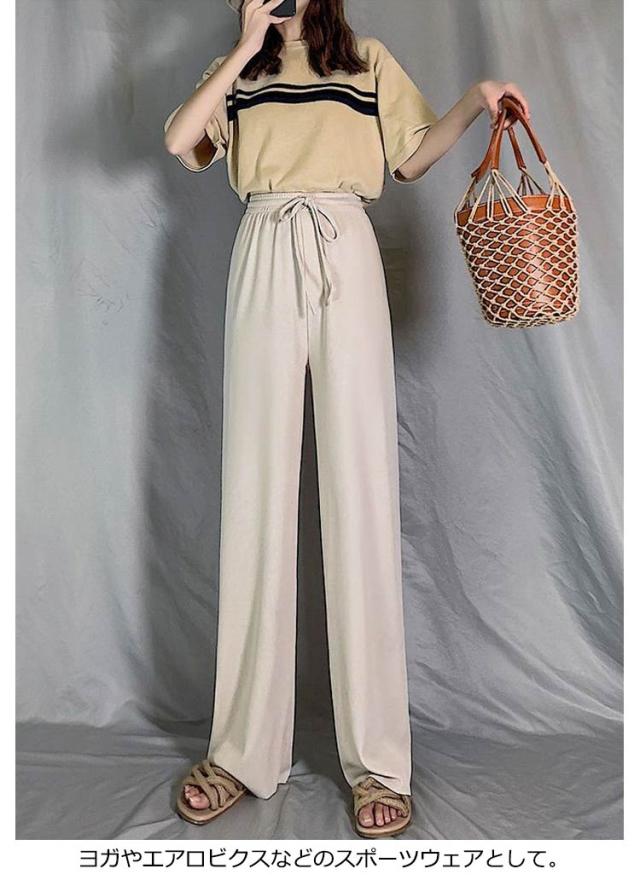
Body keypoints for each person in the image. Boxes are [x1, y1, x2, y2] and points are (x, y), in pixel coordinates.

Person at [164, 0, 529, 838]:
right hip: (263, 244)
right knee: (254, 491)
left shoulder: (366, 59)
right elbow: (182, 141)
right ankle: (241, 752)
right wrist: (245, 45)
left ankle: (378, 764)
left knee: (360, 489)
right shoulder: (239, 74)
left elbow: (412, 158)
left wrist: (474, 99)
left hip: (344, 248)